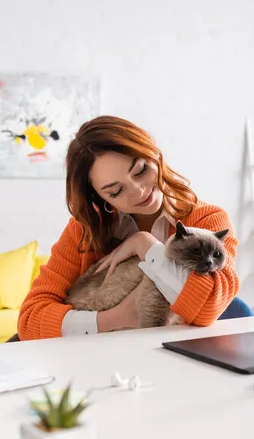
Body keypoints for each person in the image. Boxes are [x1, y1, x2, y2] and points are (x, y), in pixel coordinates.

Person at [18, 116, 239, 340]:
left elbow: (208, 308)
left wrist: (144, 244)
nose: (138, 192)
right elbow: (30, 321)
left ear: (154, 154)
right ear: (99, 196)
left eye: (141, 170)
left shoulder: (208, 220)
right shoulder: (85, 229)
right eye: (115, 191)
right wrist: (116, 318)